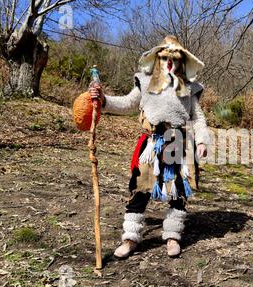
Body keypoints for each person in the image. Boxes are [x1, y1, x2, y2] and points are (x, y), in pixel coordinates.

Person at [73, 35, 210, 258]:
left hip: (178, 144)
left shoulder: (189, 88)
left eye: (174, 59)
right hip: (151, 145)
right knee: (139, 190)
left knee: (178, 192)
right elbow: (128, 103)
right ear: (157, 58)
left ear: (182, 61)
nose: (169, 62)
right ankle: (130, 237)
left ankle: (173, 236)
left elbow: (199, 119)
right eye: (165, 57)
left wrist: (203, 140)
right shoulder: (145, 82)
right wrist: (104, 100)